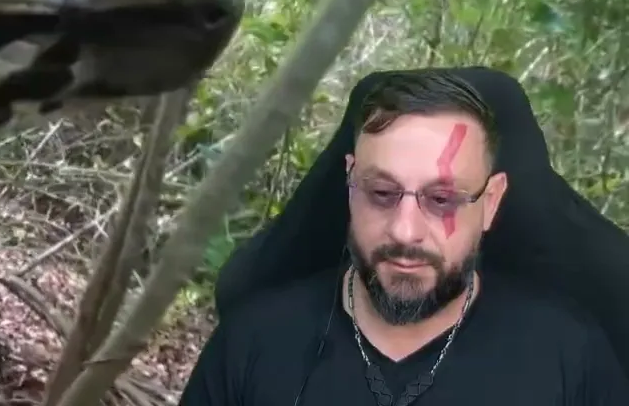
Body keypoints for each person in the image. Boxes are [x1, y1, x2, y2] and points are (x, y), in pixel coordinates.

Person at [179, 68, 629, 405]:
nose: (404, 230)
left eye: (442, 199)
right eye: (381, 193)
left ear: (490, 202)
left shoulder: (569, 358)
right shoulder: (254, 343)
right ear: (350, 182)